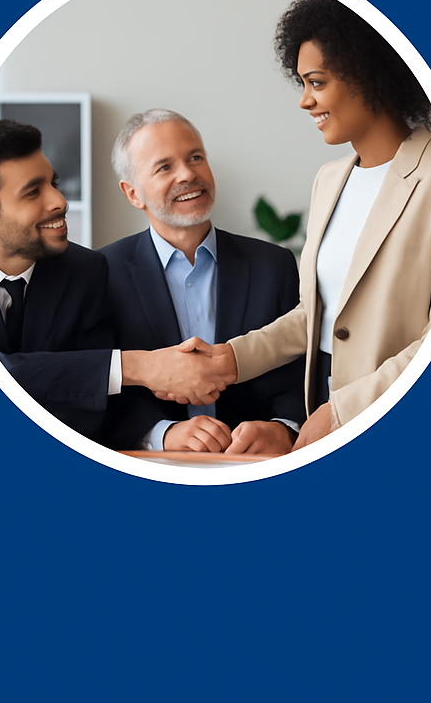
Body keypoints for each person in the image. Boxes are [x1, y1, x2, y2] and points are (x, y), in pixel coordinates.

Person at [173, 0, 431, 449]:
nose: (306, 101)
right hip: (320, 410)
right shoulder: (329, 180)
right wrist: (232, 358)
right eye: (302, 83)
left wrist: (344, 411)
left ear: (368, 73)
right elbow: (316, 313)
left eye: (316, 82)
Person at [0, 119, 221, 442]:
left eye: (54, 183)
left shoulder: (86, 271)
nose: (59, 202)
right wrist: (134, 366)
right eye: (33, 192)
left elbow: (88, 416)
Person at [99, 109, 306, 455]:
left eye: (196, 157)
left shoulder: (274, 264)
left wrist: (283, 429)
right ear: (133, 193)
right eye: (165, 167)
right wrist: (163, 433)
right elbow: (102, 383)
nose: (188, 174)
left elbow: (295, 371)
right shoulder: (102, 272)